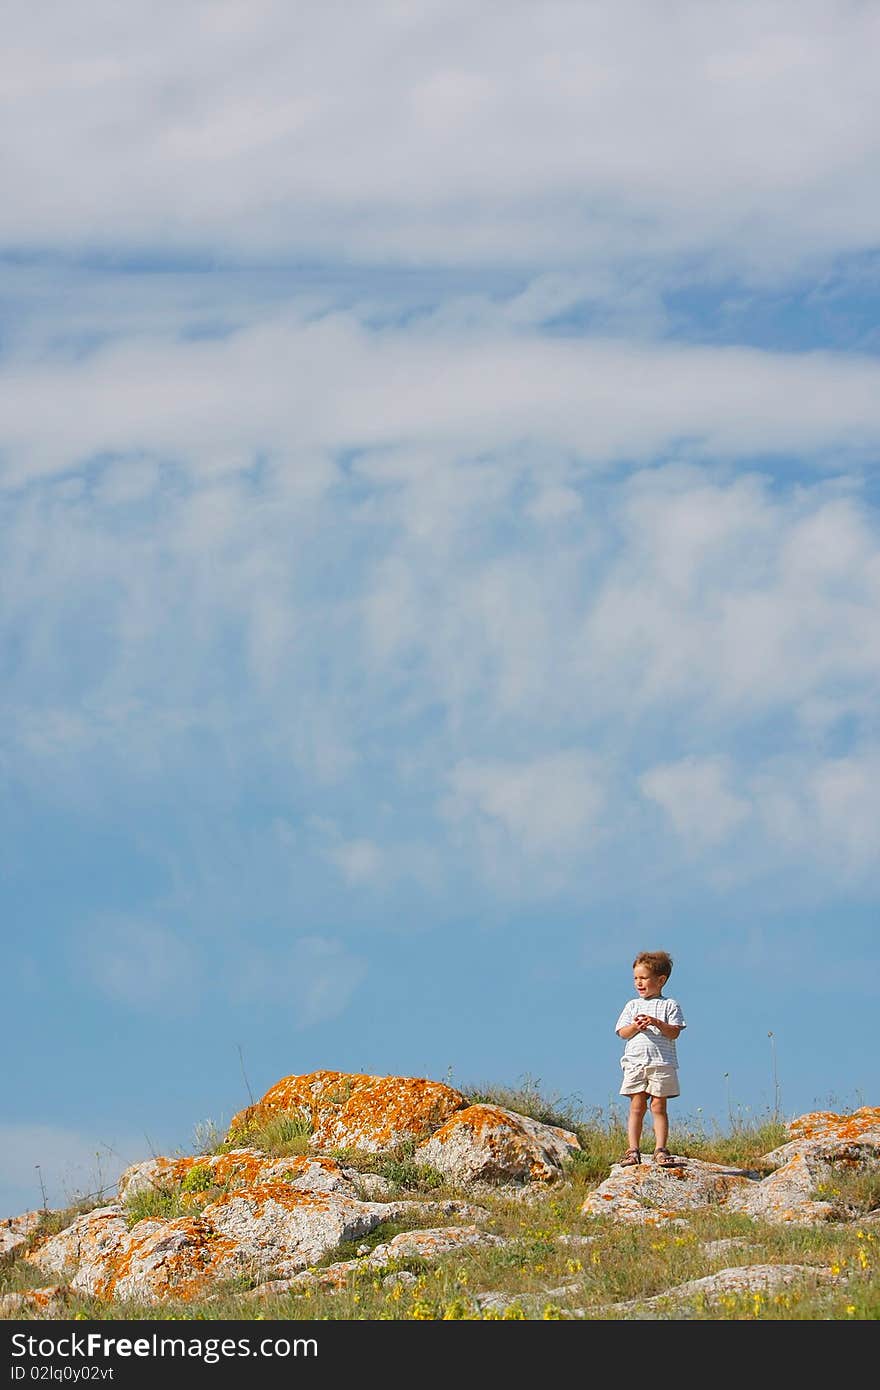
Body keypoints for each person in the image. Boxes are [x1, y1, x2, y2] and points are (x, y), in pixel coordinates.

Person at [614, 949, 686, 1167]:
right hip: (636, 1063)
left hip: (661, 1063)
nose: (639, 983)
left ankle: (660, 1149)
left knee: (658, 1106)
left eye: (644, 978)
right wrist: (636, 1026)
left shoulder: (669, 1005)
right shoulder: (632, 1005)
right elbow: (621, 1032)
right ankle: (633, 1150)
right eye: (636, 978)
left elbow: (674, 1032)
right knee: (637, 1105)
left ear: (661, 980)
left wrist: (656, 1023)